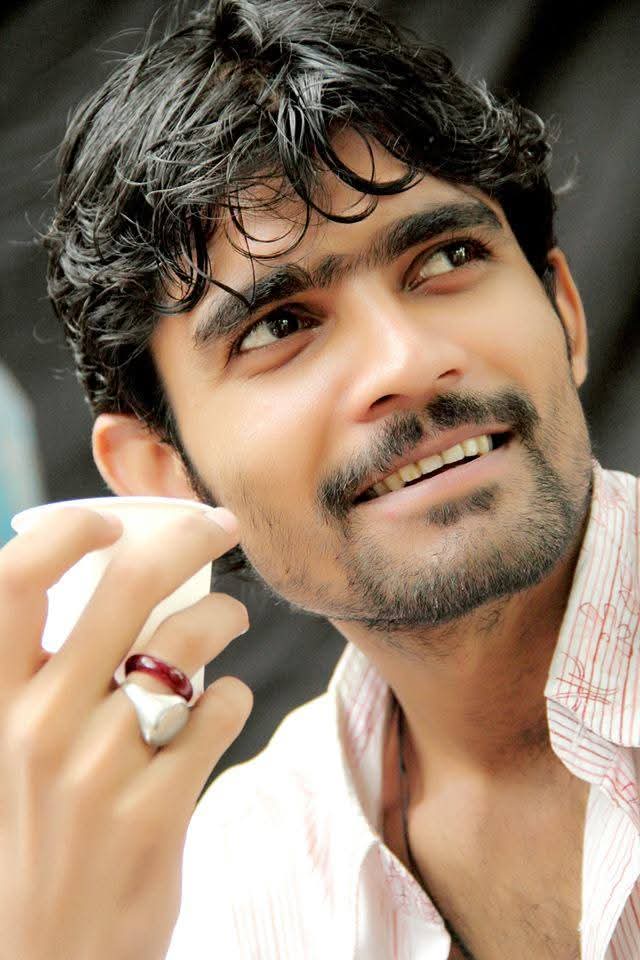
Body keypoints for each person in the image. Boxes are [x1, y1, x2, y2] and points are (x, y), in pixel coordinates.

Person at [1, 0, 637, 957]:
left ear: (565, 315)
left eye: (448, 257)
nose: (405, 362)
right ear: (165, 477)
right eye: (280, 325)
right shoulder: (211, 897)